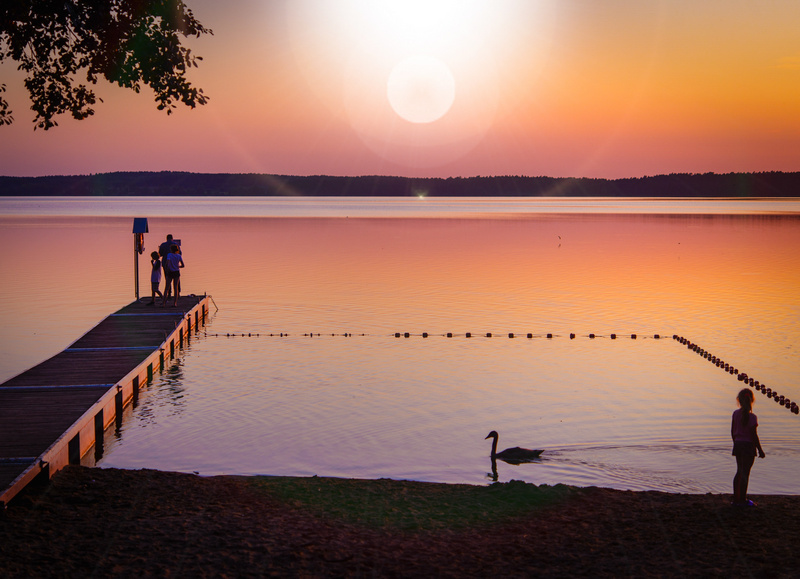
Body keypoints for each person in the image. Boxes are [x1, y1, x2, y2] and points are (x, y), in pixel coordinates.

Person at [731, 388, 765, 506]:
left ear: (739, 400)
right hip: (748, 446)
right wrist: (760, 450)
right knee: (745, 473)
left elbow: (732, 431)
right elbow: (753, 435)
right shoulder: (752, 417)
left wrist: (736, 442)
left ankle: (736, 499)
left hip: (738, 445)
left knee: (739, 472)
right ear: (752, 401)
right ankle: (743, 500)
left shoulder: (735, 414)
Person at [159, 234, 178, 299]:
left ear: (166, 238)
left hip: (165, 264)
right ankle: (177, 293)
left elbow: (160, 254)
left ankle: (169, 293)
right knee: (176, 280)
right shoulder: (175, 244)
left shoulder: (163, 245)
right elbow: (179, 253)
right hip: (175, 264)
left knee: (167, 279)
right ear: (172, 238)